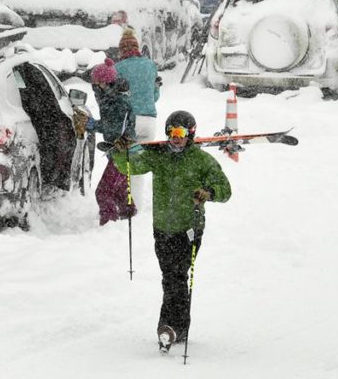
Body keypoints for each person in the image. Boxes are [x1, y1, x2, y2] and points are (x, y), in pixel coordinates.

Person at [111, 110, 232, 349]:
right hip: (162, 229)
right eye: (171, 132)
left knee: (176, 276)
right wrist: (119, 151)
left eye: (180, 133)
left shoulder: (202, 161)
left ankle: (170, 327)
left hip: (189, 229)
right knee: (170, 278)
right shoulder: (159, 157)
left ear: (191, 135)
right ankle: (178, 328)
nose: (175, 138)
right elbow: (130, 167)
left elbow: (225, 189)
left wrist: (209, 192)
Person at [81, 58, 137, 225]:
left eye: (96, 84)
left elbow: (115, 130)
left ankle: (109, 223)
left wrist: (91, 124)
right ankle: (129, 215)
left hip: (123, 152)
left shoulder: (117, 102)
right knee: (120, 190)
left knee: (103, 192)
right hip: (120, 152)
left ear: (105, 83)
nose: (94, 88)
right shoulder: (111, 97)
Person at [115, 27, 161, 141]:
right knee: (145, 158)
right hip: (150, 120)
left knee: (127, 158)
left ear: (121, 50)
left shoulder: (117, 68)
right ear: (137, 48)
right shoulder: (151, 65)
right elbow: (155, 97)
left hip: (129, 120)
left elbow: (116, 98)